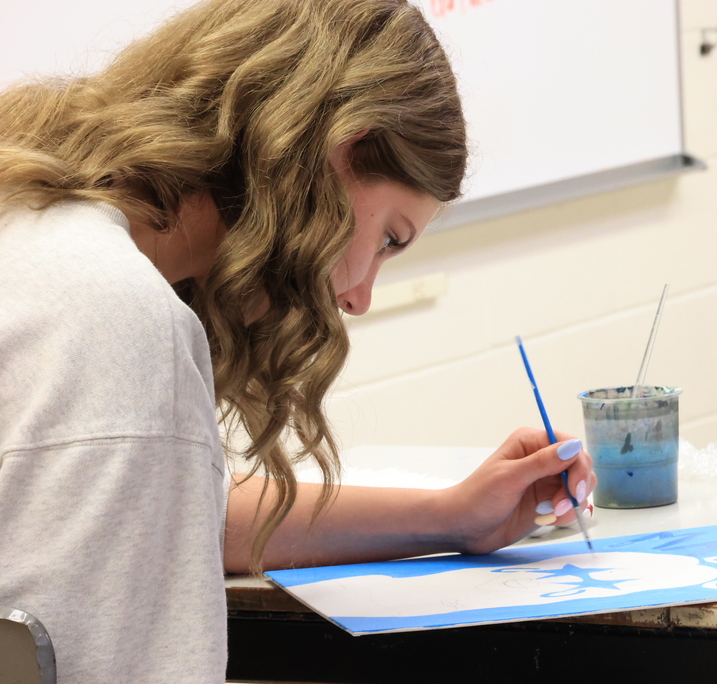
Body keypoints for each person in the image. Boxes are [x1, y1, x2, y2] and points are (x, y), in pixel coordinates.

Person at [0, 1, 596, 681]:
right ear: (336, 153)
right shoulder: (115, 315)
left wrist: (451, 516)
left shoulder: (32, 221)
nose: (360, 297)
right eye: (389, 239)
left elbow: (168, 521)